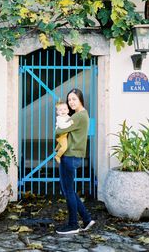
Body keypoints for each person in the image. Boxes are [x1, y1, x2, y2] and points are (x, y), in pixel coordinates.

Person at [55, 88, 95, 235]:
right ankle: (86, 219)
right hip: (73, 155)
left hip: (70, 156)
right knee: (68, 189)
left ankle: (73, 224)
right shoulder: (81, 115)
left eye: (74, 99)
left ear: (80, 100)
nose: (71, 102)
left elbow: (59, 131)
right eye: (69, 99)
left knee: (68, 190)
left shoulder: (78, 116)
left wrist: (57, 130)